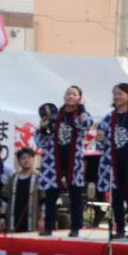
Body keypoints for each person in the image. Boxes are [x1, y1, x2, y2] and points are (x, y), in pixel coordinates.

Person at [37, 88, 93, 237]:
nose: (70, 96)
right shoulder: (54, 116)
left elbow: (87, 123)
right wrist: (43, 129)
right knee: (51, 196)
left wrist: (82, 107)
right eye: (68, 93)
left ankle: (75, 227)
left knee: (75, 196)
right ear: (63, 96)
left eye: (74, 94)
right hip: (52, 161)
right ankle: (48, 228)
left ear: (80, 98)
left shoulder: (81, 115)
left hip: (73, 162)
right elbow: (40, 141)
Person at [97, 82, 128, 239]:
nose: (117, 96)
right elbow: (99, 142)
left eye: (120, 93)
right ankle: (119, 229)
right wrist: (100, 138)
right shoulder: (108, 117)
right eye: (115, 93)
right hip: (113, 164)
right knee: (116, 199)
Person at [2, 146, 42, 233]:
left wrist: (43, 219)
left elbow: (44, 200)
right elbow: (5, 199)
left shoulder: (39, 177)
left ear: (33, 159)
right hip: (13, 218)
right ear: (19, 161)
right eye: (23, 158)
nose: (26, 160)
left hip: (33, 219)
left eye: (29, 157)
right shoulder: (13, 177)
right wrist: (2, 217)